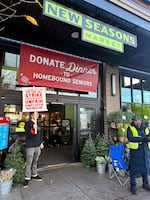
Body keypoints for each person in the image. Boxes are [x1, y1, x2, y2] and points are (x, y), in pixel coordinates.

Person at [127, 115, 150, 195]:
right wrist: (143, 139)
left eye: (137, 120)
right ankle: (133, 185)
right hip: (135, 152)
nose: (136, 122)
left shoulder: (146, 127)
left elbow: (148, 135)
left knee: (145, 168)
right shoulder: (130, 128)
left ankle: (145, 183)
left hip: (145, 151)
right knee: (133, 169)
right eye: (134, 120)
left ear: (141, 120)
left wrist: (148, 138)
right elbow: (130, 138)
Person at [23, 111, 44, 187]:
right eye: (36, 114)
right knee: (29, 162)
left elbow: (40, 134)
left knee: (35, 161)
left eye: (38, 114)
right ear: (32, 115)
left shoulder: (38, 123)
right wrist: (33, 129)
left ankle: (34, 174)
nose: (37, 115)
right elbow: (28, 135)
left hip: (37, 146)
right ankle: (27, 177)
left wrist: (41, 142)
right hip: (30, 146)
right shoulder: (28, 124)